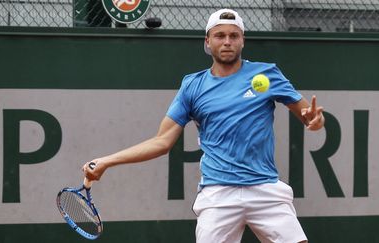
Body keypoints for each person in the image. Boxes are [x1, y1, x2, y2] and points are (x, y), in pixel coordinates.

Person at [83, 8, 324, 243]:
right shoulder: (192, 86)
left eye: (234, 36)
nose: (227, 41)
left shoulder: (267, 74)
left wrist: (315, 121)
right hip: (218, 193)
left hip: (265, 188)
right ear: (208, 42)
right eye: (220, 36)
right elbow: (161, 142)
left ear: (243, 41)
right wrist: (107, 161)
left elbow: (308, 116)